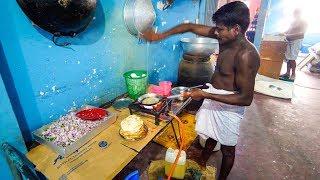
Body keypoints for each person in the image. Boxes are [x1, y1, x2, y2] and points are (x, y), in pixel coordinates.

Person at [142, 1, 260, 179]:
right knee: (212, 132)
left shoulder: (246, 55)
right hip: (214, 93)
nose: (216, 33)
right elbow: (189, 26)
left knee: (227, 149)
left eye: (220, 29)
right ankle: (203, 160)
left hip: (231, 105)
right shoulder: (225, 36)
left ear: (235, 29)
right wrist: (160, 36)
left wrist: (205, 94)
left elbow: (245, 98)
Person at [279, 9, 308, 81]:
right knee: (288, 58)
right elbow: (288, 30)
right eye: (294, 14)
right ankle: (287, 73)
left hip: (297, 40)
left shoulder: (304, 22)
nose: (294, 15)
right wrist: (282, 33)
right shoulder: (293, 21)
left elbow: (302, 33)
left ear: (300, 13)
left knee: (292, 58)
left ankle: (293, 74)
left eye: (296, 13)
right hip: (289, 40)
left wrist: (288, 35)